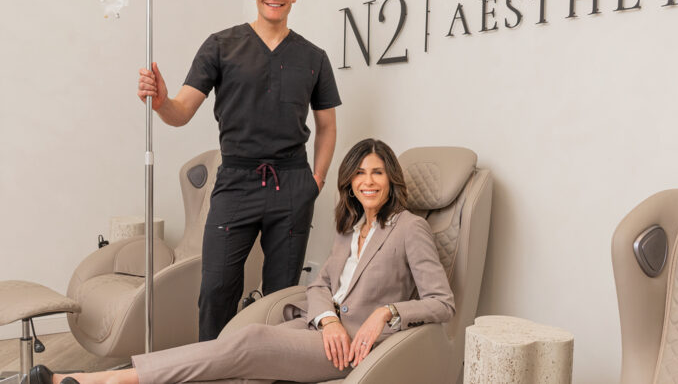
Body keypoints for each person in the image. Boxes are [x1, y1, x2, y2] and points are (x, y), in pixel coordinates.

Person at [34, 139, 455, 384]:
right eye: (359, 173)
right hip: (319, 328)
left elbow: (442, 302)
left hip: (354, 346)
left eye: (377, 172)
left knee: (248, 341)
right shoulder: (350, 227)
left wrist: (385, 313)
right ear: (349, 182)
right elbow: (321, 285)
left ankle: (103, 379)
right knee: (238, 363)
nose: (368, 181)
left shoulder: (409, 228)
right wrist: (326, 318)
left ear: (391, 178)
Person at [137, 0, 341, 341]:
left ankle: (272, 367)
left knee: (282, 297)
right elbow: (181, 112)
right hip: (235, 181)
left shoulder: (313, 57)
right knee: (216, 289)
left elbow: (327, 126)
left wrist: (315, 180)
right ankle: (215, 366)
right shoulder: (220, 46)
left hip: (292, 184)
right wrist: (161, 101)